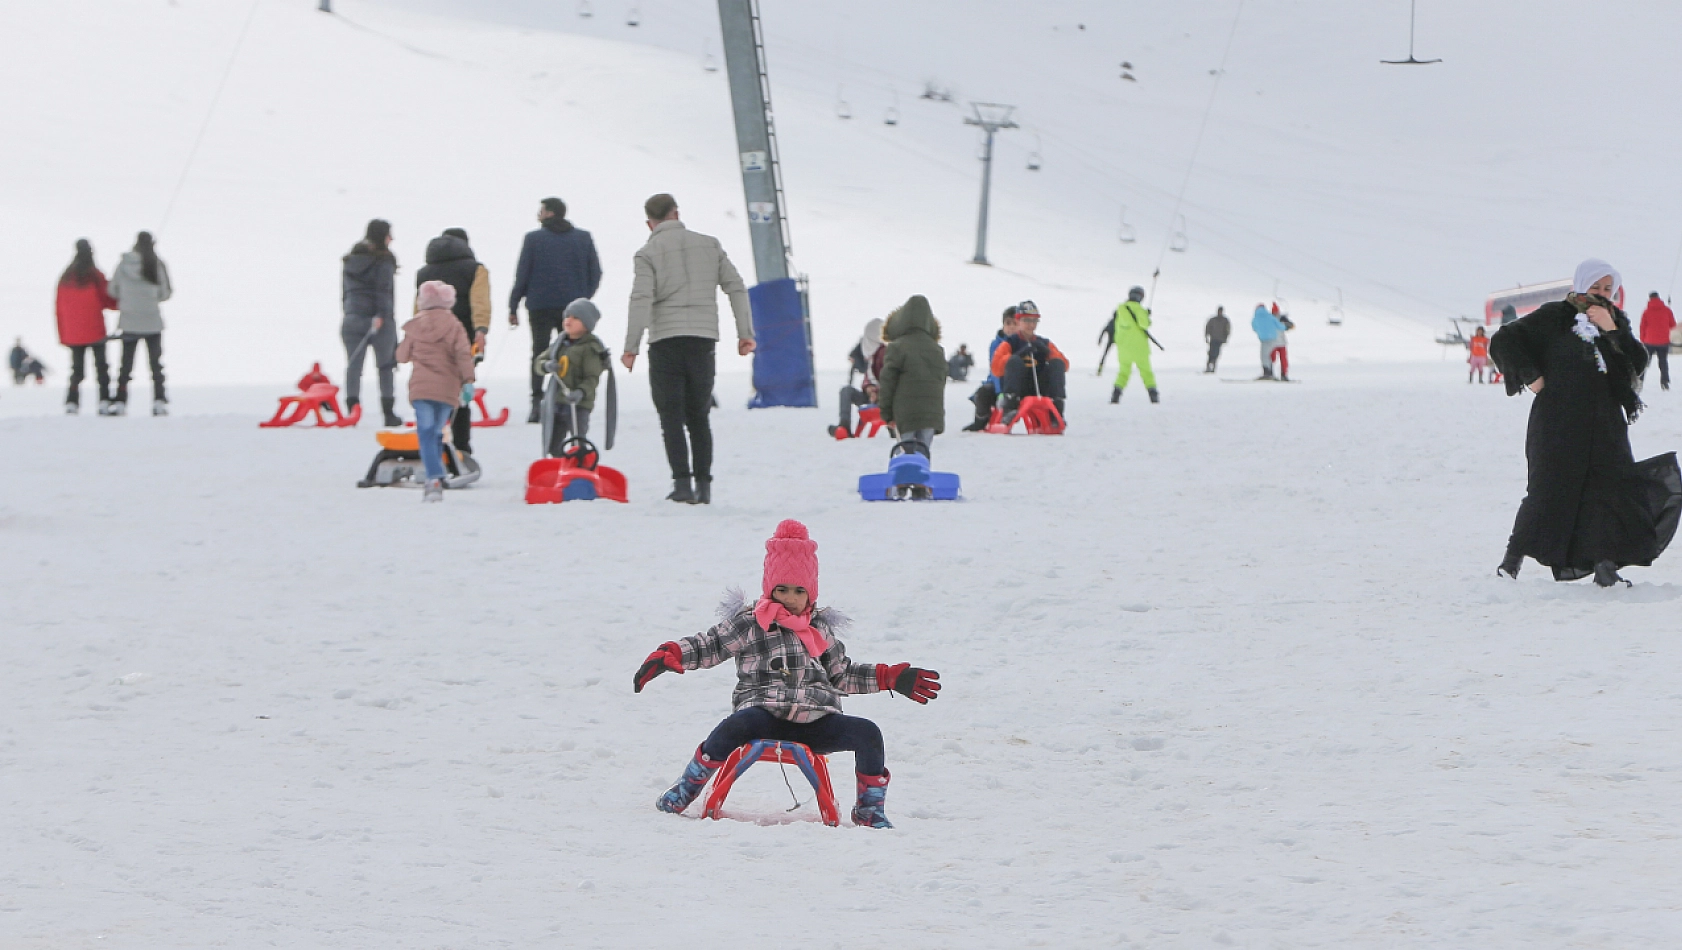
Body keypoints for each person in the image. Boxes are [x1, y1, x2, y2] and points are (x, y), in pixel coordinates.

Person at [633, 519, 942, 829]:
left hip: (817, 720)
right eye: (781, 589)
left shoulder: (820, 629)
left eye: (798, 591)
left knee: (868, 733)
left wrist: (890, 677)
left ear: (811, 594)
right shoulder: (752, 622)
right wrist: (671, 654)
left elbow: (842, 675)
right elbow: (709, 645)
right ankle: (687, 787)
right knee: (735, 725)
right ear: (770, 588)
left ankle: (869, 809)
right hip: (763, 713)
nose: (790, 598)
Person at [1490, 258, 1679, 586]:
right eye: (1595, 286)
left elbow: (1638, 360)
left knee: (1610, 490)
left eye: (1608, 288)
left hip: (1605, 421)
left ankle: (1606, 568)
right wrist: (1531, 376)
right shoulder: (1555, 316)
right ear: (1580, 284)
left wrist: (1611, 328)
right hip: (1557, 420)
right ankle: (1512, 562)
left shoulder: (1615, 319)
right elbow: (1504, 340)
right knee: (1547, 489)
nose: (1602, 293)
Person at [621, 193, 755, 505]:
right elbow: (736, 286)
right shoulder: (709, 244)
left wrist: (631, 346)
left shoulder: (647, 252)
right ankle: (704, 486)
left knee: (671, 416)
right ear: (676, 213)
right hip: (702, 339)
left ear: (649, 223)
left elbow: (641, 298)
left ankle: (682, 484)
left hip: (665, 341)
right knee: (699, 415)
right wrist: (744, 333)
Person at [510, 197, 602, 423]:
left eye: (541, 210)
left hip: (540, 305)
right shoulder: (583, 238)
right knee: (575, 354)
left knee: (540, 352)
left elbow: (522, 275)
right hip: (573, 307)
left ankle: (536, 405)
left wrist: (513, 306)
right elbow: (596, 272)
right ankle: (573, 402)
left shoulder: (533, 239)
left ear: (550, 213)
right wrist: (583, 298)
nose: (538, 214)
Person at [395, 281, 475, 503]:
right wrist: (468, 380)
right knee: (437, 431)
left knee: (426, 432)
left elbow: (401, 356)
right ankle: (436, 475)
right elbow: (462, 354)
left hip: (421, 387)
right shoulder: (454, 325)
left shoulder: (415, 326)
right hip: (447, 389)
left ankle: (434, 478)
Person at [416, 228, 492, 454]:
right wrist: (481, 331)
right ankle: (461, 446)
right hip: (463, 338)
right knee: (460, 391)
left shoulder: (423, 272)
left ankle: (434, 442)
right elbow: (479, 302)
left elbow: (418, 307)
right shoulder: (475, 269)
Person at [341, 219, 402, 426]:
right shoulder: (383, 261)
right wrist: (382, 316)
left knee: (354, 365)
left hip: (351, 318)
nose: (391, 238)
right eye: (388, 234)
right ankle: (388, 413)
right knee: (385, 366)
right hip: (378, 320)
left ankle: (352, 410)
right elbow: (383, 292)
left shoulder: (350, 260)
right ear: (381, 236)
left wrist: (351, 313)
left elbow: (345, 294)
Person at [108, 231, 173, 416]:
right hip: (152, 321)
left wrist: (129, 298)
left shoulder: (123, 264)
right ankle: (159, 400)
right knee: (156, 364)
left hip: (129, 321)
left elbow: (113, 290)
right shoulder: (157, 265)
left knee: (125, 365)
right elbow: (166, 293)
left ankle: (120, 401)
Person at [876, 295, 946, 463]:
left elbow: (887, 382)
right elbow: (940, 382)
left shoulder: (897, 347)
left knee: (905, 457)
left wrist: (886, 413)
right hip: (931, 414)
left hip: (905, 414)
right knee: (923, 455)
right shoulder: (937, 350)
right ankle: (921, 487)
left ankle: (902, 486)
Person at [539, 298, 609, 455]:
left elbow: (592, 378)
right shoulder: (559, 344)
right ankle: (559, 467)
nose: (568, 321)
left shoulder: (590, 349)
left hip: (578, 405)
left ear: (586, 324)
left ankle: (580, 466)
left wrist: (580, 392)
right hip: (557, 401)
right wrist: (546, 365)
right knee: (553, 442)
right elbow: (539, 361)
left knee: (578, 441)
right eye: (567, 316)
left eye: (575, 318)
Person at [55, 240, 116, 413]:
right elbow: (108, 299)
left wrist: (62, 333)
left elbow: (59, 307)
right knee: (102, 367)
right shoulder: (95, 275)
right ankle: (104, 399)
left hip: (73, 333)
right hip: (95, 329)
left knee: (77, 370)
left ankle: (72, 401)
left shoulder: (65, 277)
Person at [990, 300, 1069, 424]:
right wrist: (1017, 355)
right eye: (1026, 320)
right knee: (1014, 361)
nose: (1031, 324)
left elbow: (1064, 365)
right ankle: (1010, 408)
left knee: (1057, 362)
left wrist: (1049, 353)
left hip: (1039, 386)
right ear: (1019, 321)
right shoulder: (1009, 343)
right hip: (1018, 387)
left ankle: (1057, 408)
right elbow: (996, 368)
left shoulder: (1044, 342)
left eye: (1034, 321)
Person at [961, 307, 1017, 431]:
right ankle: (981, 419)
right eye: (1008, 323)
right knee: (983, 393)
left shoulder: (1022, 343)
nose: (1012, 327)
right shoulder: (996, 344)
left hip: (1016, 386)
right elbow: (995, 371)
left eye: (1015, 323)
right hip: (998, 383)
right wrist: (999, 392)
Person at [1102, 285, 1158, 404]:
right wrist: (1147, 316)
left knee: (1123, 372)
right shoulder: (1139, 309)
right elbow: (1145, 325)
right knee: (1146, 372)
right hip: (1139, 348)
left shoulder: (1120, 309)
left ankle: (1116, 395)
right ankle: (1153, 394)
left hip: (1123, 348)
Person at [830, 318, 884, 438]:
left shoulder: (887, 352)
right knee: (846, 390)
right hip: (870, 395)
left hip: (886, 398)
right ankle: (844, 426)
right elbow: (867, 377)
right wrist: (868, 388)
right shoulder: (867, 351)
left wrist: (877, 392)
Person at [1638, 292, 1675, 391]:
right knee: (1663, 362)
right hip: (1663, 341)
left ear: (1650, 299)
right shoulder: (1667, 310)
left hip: (1649, 341)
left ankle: (1640, 381)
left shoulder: (1646, 312)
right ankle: (1665, 382)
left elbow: (1642, 327)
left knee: (1645, 362)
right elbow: (1672, 325)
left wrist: (1643, 339)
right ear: (1659, 298)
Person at [1252, 303, 1284, 380]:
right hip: (1273, 338)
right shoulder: (1270, 316)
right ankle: (1269, 372)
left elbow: (1254, 327)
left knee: (1264, 356)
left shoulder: (1256, 318)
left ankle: (1267, 372)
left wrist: (1261, 331)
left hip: (1264, 339)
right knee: (1268, 355)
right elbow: (1279, 326)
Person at [1204, 306, 1231, 373]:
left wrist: (1226, 338)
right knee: (1211, 353)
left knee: (1216, 354)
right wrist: (1206, 336)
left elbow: (1227, 330)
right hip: (1213, 339)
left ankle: (1213, 367)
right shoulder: (1213, 320)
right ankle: (1208, 366)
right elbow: (1207, 327)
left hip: (1220, 340)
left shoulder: (1225, 320)